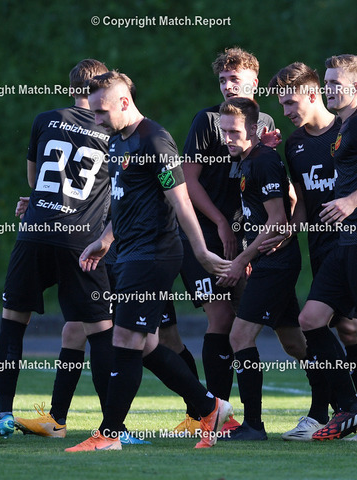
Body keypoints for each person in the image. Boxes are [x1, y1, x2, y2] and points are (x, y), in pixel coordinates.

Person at [65, 71, 232, 452]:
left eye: (102, 111)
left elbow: (181, 201)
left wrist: (201, 251)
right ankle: (210, 407)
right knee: (146, 345)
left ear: (125, 102)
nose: (97, 119)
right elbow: (125, 201)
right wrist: (105, 240)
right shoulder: (116, 142)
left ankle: (110, 434)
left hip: (153, 254)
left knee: (124, 339)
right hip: (128, 253)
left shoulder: (154, 140)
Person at [266, 61, 357, 442]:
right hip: (341, 244)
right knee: (311, 319)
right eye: (329, 81)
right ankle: (352, 409)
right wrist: (289, 230)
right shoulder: (344, 127)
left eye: (337, 83)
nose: (331, 88)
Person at [0, 59, 116, 443]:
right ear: (105, 90)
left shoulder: (45, 119)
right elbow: (120, 192)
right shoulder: (112, 131)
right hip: (81, 240)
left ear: (71, 88)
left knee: (12, 322)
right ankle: (111, 426)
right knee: (100, 330)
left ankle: (3, 413)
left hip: (35, 233)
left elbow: (35, 180)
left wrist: (40, 200)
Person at [171, 47, 280, 433]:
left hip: (245, 238)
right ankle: (210, 415)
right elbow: (187, 180)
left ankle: (249, 420)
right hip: (203, 236)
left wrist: (248, 240)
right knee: (220, 317)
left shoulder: (265, 124)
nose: (228, 85)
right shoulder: (208, 120)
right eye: (222, 80)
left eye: (235, 78)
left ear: (254, 82)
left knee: (243, 326)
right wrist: (219, 222)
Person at [213, 97, 309, 441]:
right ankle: (344, 398)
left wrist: (243, 259)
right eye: (224, 131)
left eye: (235, 131)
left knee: (240, 336)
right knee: (294, 343)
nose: (227, 138)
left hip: (275, 263)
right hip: (266, 261)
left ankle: (253, 425)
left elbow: (278, 219)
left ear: (254, 129)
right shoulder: (250, 157)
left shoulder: (263, 161)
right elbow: (286, 202)